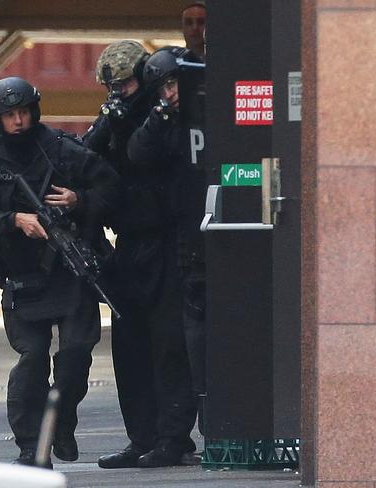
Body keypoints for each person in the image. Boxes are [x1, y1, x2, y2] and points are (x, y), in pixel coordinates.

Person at [0, 77, 119, 468]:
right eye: (9, 115)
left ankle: (62, 420)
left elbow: (113, 188)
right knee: (31, 360)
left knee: (77, 354)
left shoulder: (63, 150)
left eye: (24, 112)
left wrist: (79, 201)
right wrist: (15, 220)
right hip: (23, 277)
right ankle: (32, 445)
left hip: (70, 272)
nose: (19, 121)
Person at [84, 41, 197, 469]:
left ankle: (173, 437)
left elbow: (149, 154)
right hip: (129, 242)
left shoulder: (169, 116)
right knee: (129, 349)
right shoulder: (114, 117)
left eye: (128, 82)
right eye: (114, 86)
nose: (121, 92)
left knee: (168, 344)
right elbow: (89, 155)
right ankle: (141, 437)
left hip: (169, 241)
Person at [128, 47, 208, 439]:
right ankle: (174, 435)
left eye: (177, 83)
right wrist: (162, 117)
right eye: (166, 86)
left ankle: (212, 425)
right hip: (175, 243)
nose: (173, 92)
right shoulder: (159, 121)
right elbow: (138, 154)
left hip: (213, 236)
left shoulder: (211, 112)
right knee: (173, 343)